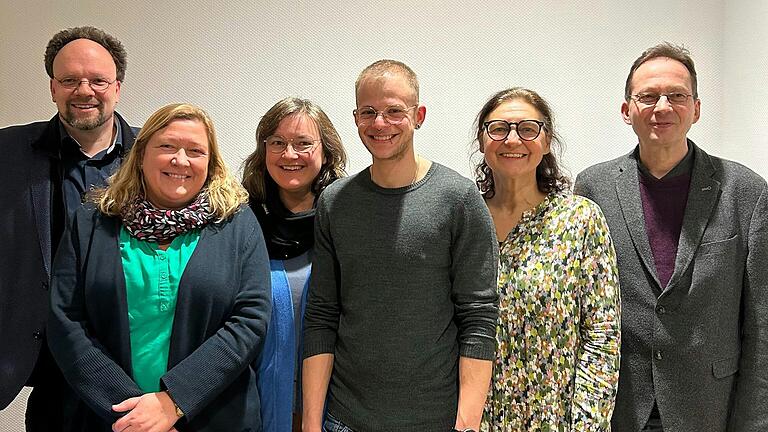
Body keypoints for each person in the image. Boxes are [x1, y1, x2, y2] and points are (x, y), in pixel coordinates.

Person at [574, 43, 768, 432]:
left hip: (709, 408)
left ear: (695, 109)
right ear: (626, 110)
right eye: (647, 96)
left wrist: (754, 422)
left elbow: (761, 323)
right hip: (619, 404)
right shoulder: (593, 186)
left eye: (676, 96)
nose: (662, 107)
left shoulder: (745, 191)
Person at [47, 103, 271, 432]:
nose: (180, 160)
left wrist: (173, 401)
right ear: (141, 154)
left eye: (195, 150)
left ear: (210, 163)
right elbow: (65, 319)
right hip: (107, 419)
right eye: (167, 146)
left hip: (215, 418)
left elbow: (250, 320)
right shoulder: (92, 222)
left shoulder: (237, 223)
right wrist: (132, 414)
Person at [301, 59, 499, 432]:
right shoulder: (334, 202)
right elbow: (323, 315)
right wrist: (311, 424)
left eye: (394, 111)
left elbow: (478, 317)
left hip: (435, 421)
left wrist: (467, 425)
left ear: (419, 115)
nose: (380, 124)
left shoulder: (458, 198)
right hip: (346, 420)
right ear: (356, 116)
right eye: (369, 112)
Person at [0, 26, 137, 431]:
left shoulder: (154, 157)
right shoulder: (7, 153)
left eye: (97, 80)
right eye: (70, 80)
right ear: (52, 88)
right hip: (47, 367)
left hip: (129, 363)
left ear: (117, 87)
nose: (84, 90)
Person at [472, 87, 621, 431]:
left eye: (528, 129)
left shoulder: (580, 219)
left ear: (547, 139)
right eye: (498, 129)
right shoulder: (462, 218)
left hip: (555, 417)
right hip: (471, 417)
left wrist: (587, 425)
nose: (512, 140)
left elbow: (601, 335)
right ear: (482, 141)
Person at [242, 97, 347, 432]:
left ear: (326, 152)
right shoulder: (240, 221)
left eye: (303, 143)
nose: (289, 154)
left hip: (339, 409)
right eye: (278, 143)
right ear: (263, 151)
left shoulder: (349, 219)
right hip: (257, 407)